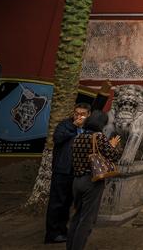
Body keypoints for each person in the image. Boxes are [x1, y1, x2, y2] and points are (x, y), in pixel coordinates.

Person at [44, 83, 111, 244]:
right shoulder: (65, 125)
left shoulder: (88, 129)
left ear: (88, 115)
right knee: (58, 203)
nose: (79, 116)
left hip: (77, 172)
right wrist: (73, 126)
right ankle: (52, 233)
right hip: (62, 170)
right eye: (76, 113)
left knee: (70, 202)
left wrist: (104, 92)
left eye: (82, 114)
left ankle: (63, 231)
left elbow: (97, 110)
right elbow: (58, 138)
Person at [66, 110, 122, 250]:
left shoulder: (78, 137)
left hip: (77, 181)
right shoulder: (99, 137)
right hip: (92, 181)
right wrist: (113, 145)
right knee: (87, 220)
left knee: (77, 216)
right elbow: (114, 156)